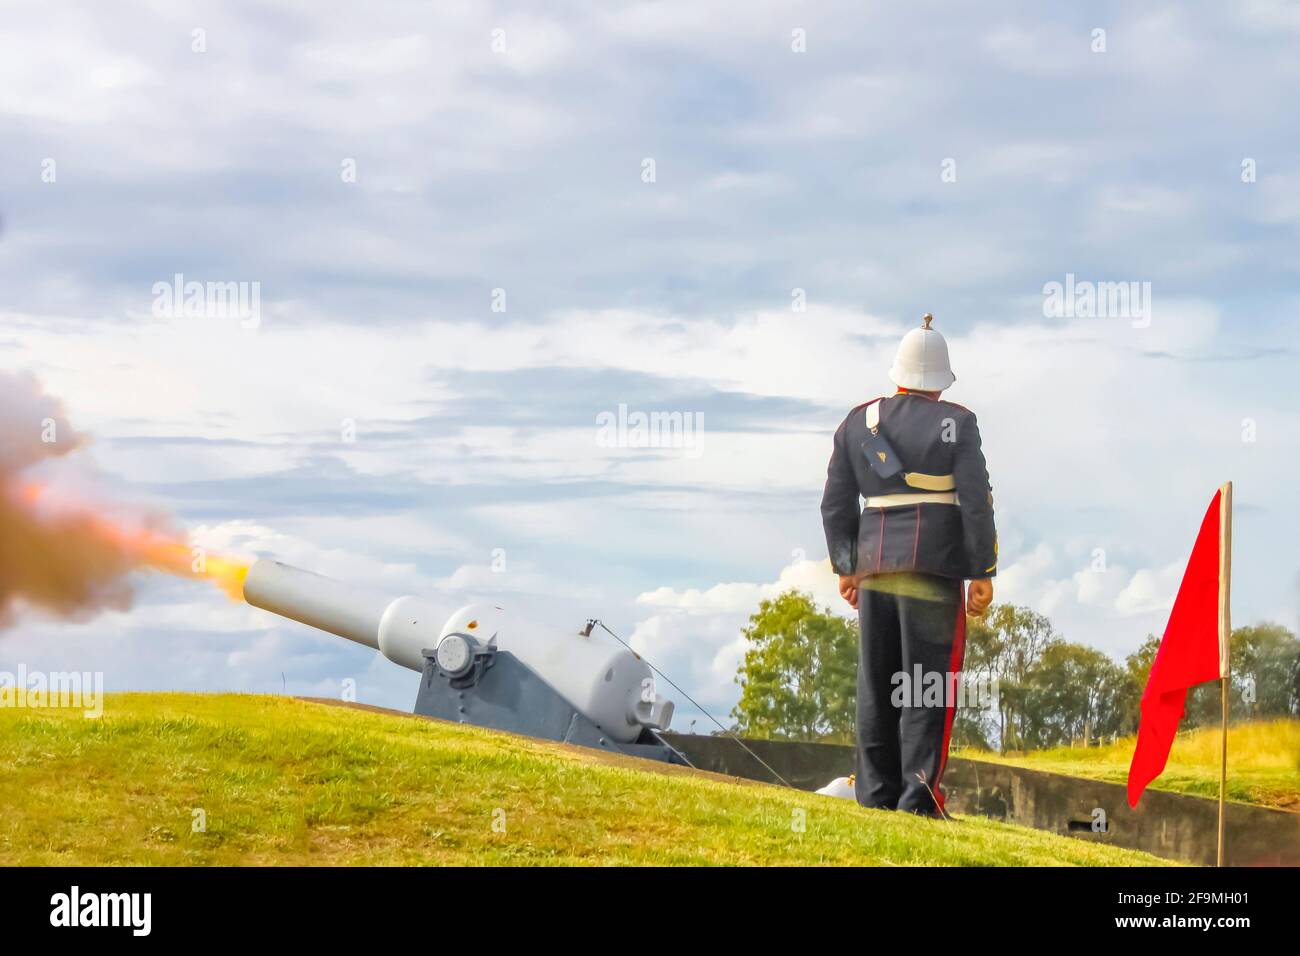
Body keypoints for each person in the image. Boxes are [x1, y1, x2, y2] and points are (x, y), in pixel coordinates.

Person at [820, 314, 996, 816]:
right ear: (941, 383)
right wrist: (982, 571)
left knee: (876, 686)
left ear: (897, 372)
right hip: (934, 573)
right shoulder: (958, 423)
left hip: (875, 571)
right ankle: (917, 800)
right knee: (926, 685)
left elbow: (835, 504)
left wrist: (847, 567)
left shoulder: (858, 422)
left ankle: (874, 797)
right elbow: (976, 503)